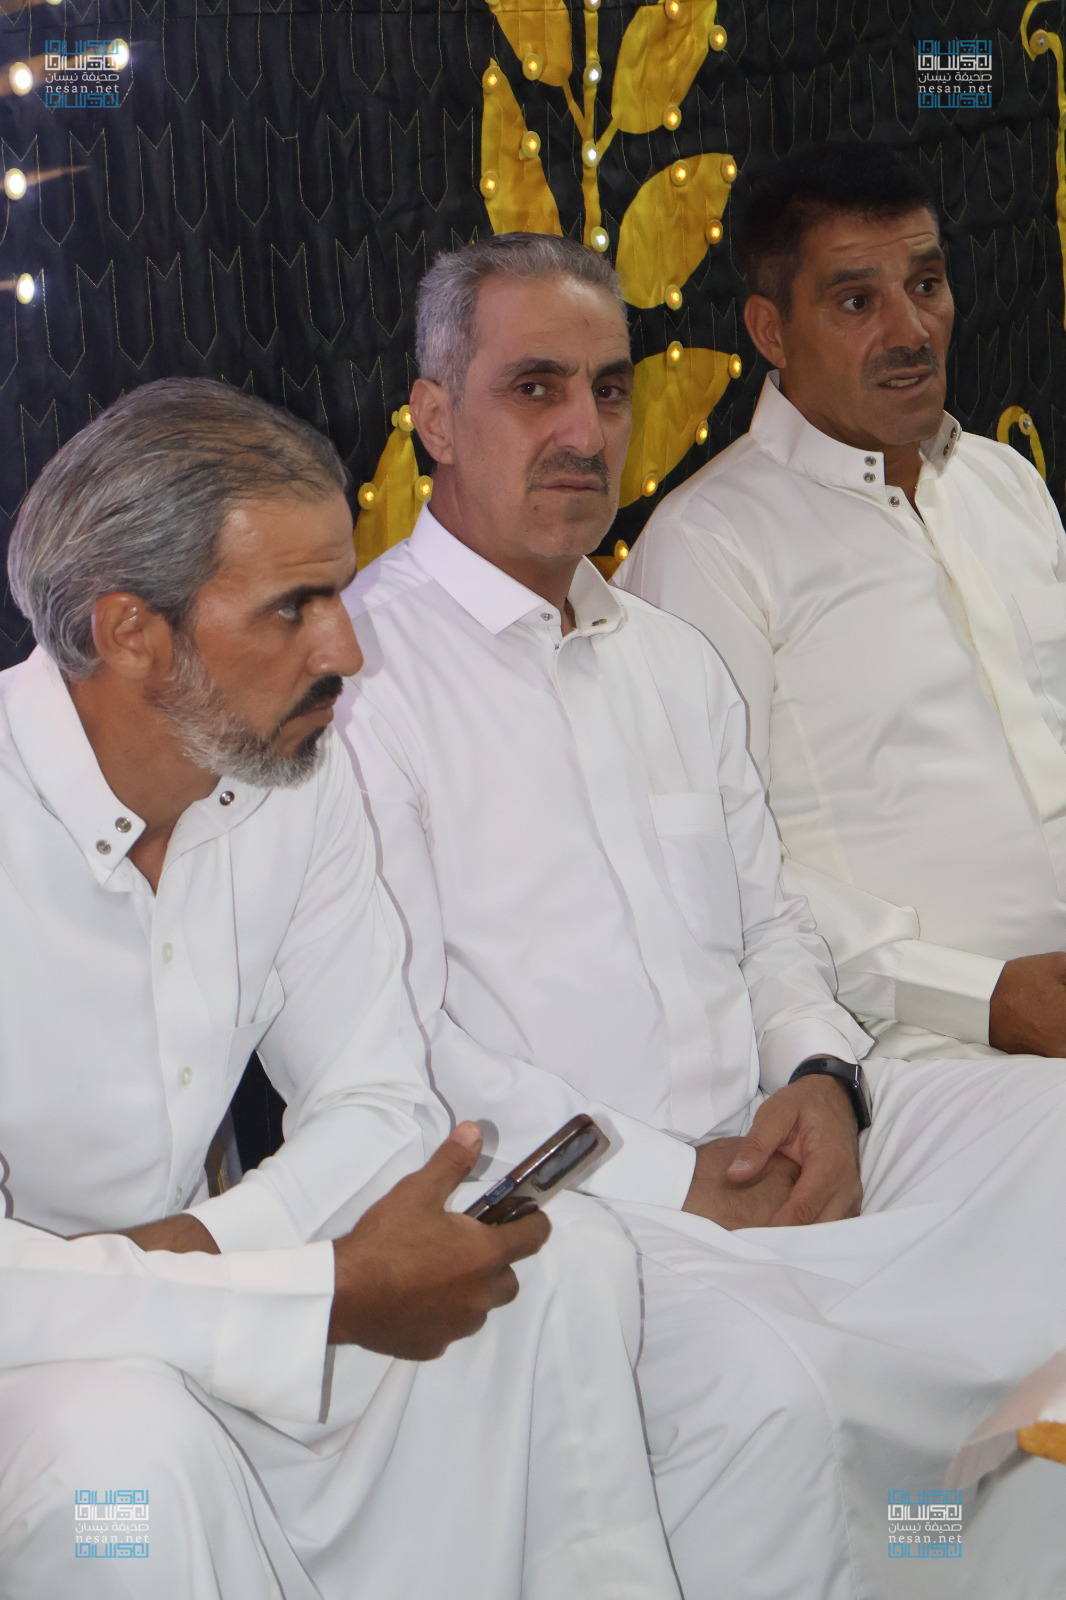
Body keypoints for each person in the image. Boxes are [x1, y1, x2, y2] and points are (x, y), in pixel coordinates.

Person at [341, 231, 1066, 1600]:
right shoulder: (368, 682)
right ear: (433, 415)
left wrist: (822, 1081)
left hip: (777, 1138)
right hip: (578, 1203)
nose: (582, 431)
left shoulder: (665, 663)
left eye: (608, 389)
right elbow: (404, 1050)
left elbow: (772, 928)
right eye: (535, 388)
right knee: (771, 1387)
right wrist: (674, 1181)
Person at [0, 378, 683, 1600]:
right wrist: (307, 1294)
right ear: (129, 630)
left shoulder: (290, 779)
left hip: (212, 1295)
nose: (349, 650)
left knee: (559, 1262)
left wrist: (219, 1256)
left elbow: (376, 1101)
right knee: (126, 1474)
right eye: (295, 608)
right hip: (45, 1376)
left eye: (344, 591)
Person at [617, 139, 1066, 1064]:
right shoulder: (711, 543)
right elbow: (715, 864)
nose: (911, 330)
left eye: (927, 285)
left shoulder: (1004, 483)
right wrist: (979, 998)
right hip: (919, 1049)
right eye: (857, 302)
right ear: (771, 331)